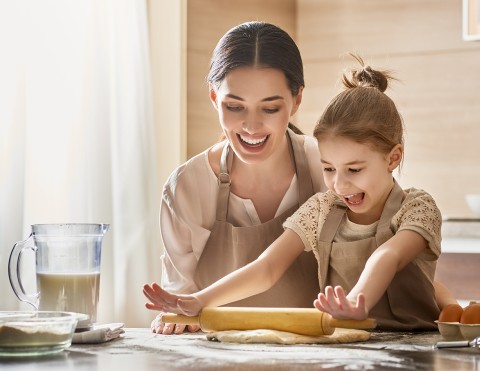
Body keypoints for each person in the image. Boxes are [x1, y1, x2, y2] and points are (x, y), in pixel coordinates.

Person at [144, 54, 459, 331]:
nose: (339, 184)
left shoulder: (418, 208)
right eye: (328, 168)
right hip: (344, 345)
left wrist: (356, 302)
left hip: (417, 349)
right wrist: (200, 300)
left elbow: (387, 256)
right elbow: (267, 267)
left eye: (354, 170)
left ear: (393, 157)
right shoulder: (323, 208)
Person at [152, 21, 326, 334]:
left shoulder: (326, 167)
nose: (251, 126)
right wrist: (174, 318)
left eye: (270, 108)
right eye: (234, 106)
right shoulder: (189, 187)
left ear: (297, 100)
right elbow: (182, 302)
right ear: (214, 97)